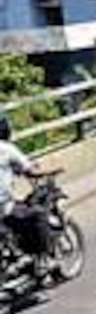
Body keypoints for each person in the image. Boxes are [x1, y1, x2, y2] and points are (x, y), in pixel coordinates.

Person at [0, 112, 51, 273]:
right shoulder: (6, 149)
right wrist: (52, 170)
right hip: (4, 208)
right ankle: (43, 259)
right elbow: (30, 172)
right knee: (38, 214)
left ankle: (19, 251)